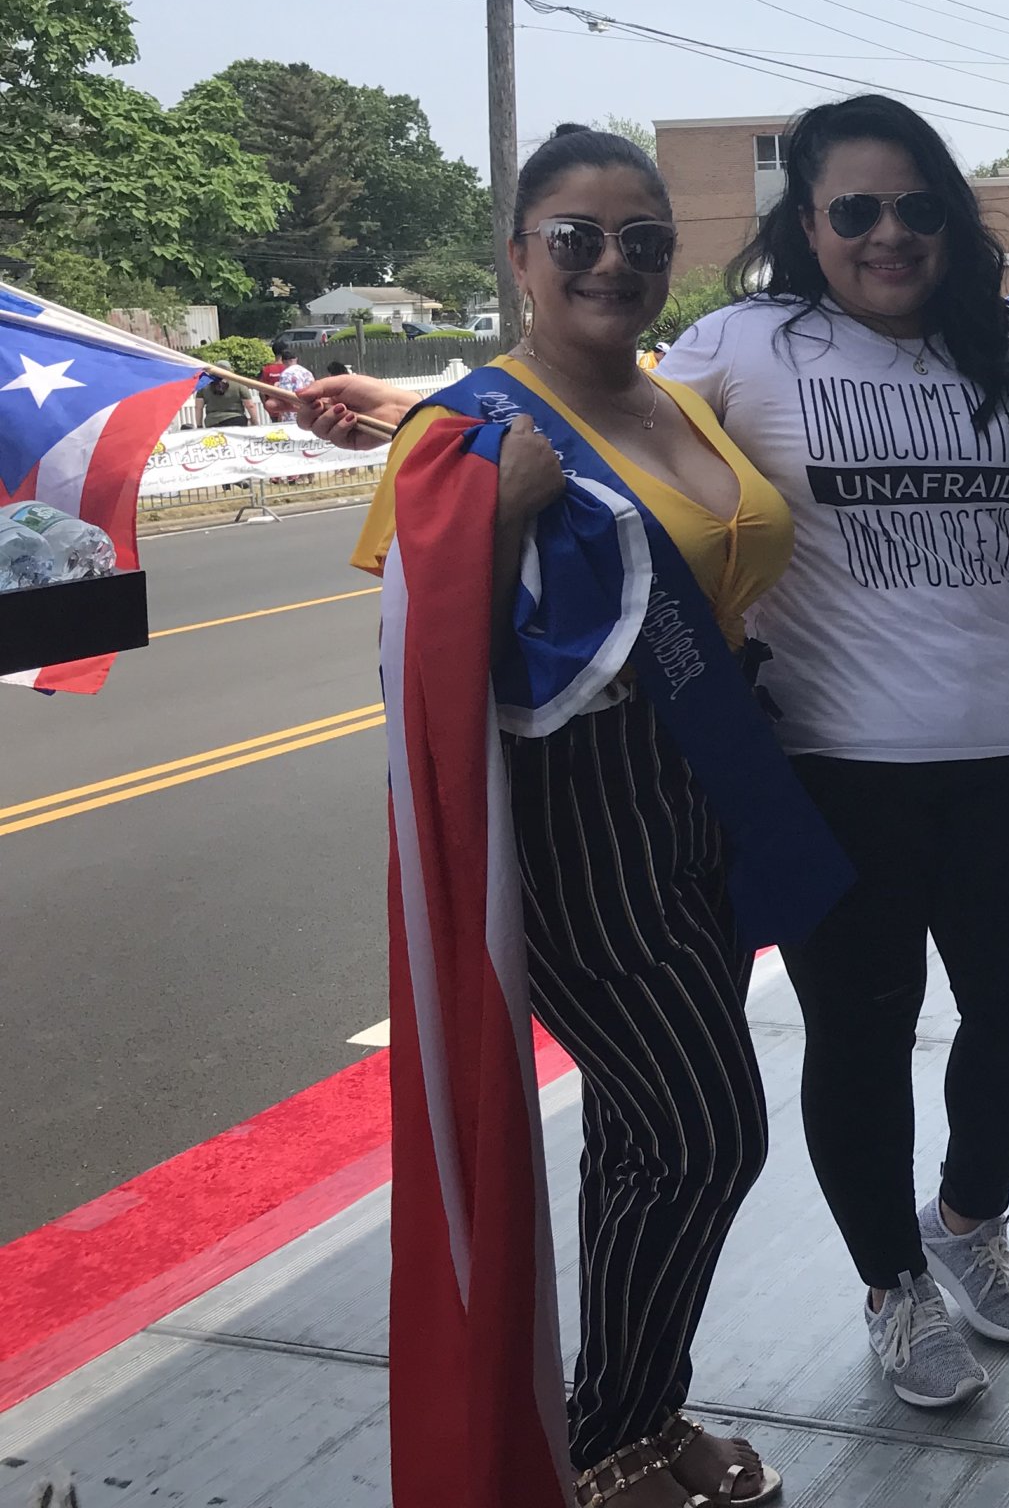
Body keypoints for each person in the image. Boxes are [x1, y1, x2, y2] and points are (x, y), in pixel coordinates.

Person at [307, 97, 1009, 1416]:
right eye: (853, 211)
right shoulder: (745, 344)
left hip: (1007, 752)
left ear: (953, 221)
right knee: (859, 1036)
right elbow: (582, 407)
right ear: (807, 228)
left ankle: (965, 1216)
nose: (886, 235)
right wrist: (419, 410)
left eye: (916, 209)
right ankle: (892, 1284)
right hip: (827, 767)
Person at [343, 124, 798, 1508]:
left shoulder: (680, 396)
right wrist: (492, 519)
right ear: (520, 256)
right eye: (578, 239)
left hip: (712, 786)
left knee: (639, 1135)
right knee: (711, 1130)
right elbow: (419, 659)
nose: (615, 265)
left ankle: (636, 1427)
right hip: (577, 814)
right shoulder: (466, 434)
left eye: (645, 241)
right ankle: (602, 1437)